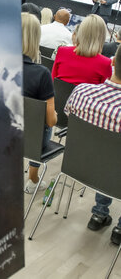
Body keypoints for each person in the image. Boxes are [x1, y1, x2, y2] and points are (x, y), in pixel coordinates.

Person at [64, 45, 121, 245]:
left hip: (80, 165)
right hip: (115, 174)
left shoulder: (81, 91)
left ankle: (98, 214)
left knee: (105, 154)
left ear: (112, 62)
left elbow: (68, 118)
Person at [22, 12, 57, 194]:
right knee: (45, 123)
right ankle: (33, 179)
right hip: (27, 141)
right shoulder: (42, 73)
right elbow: (51, 121)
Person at [52, 14, 112, 85]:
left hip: (57, 95)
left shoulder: (62, 51)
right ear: (102, 37)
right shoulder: (106, 63)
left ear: (81, 32)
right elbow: (102, 93)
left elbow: (52, 80)